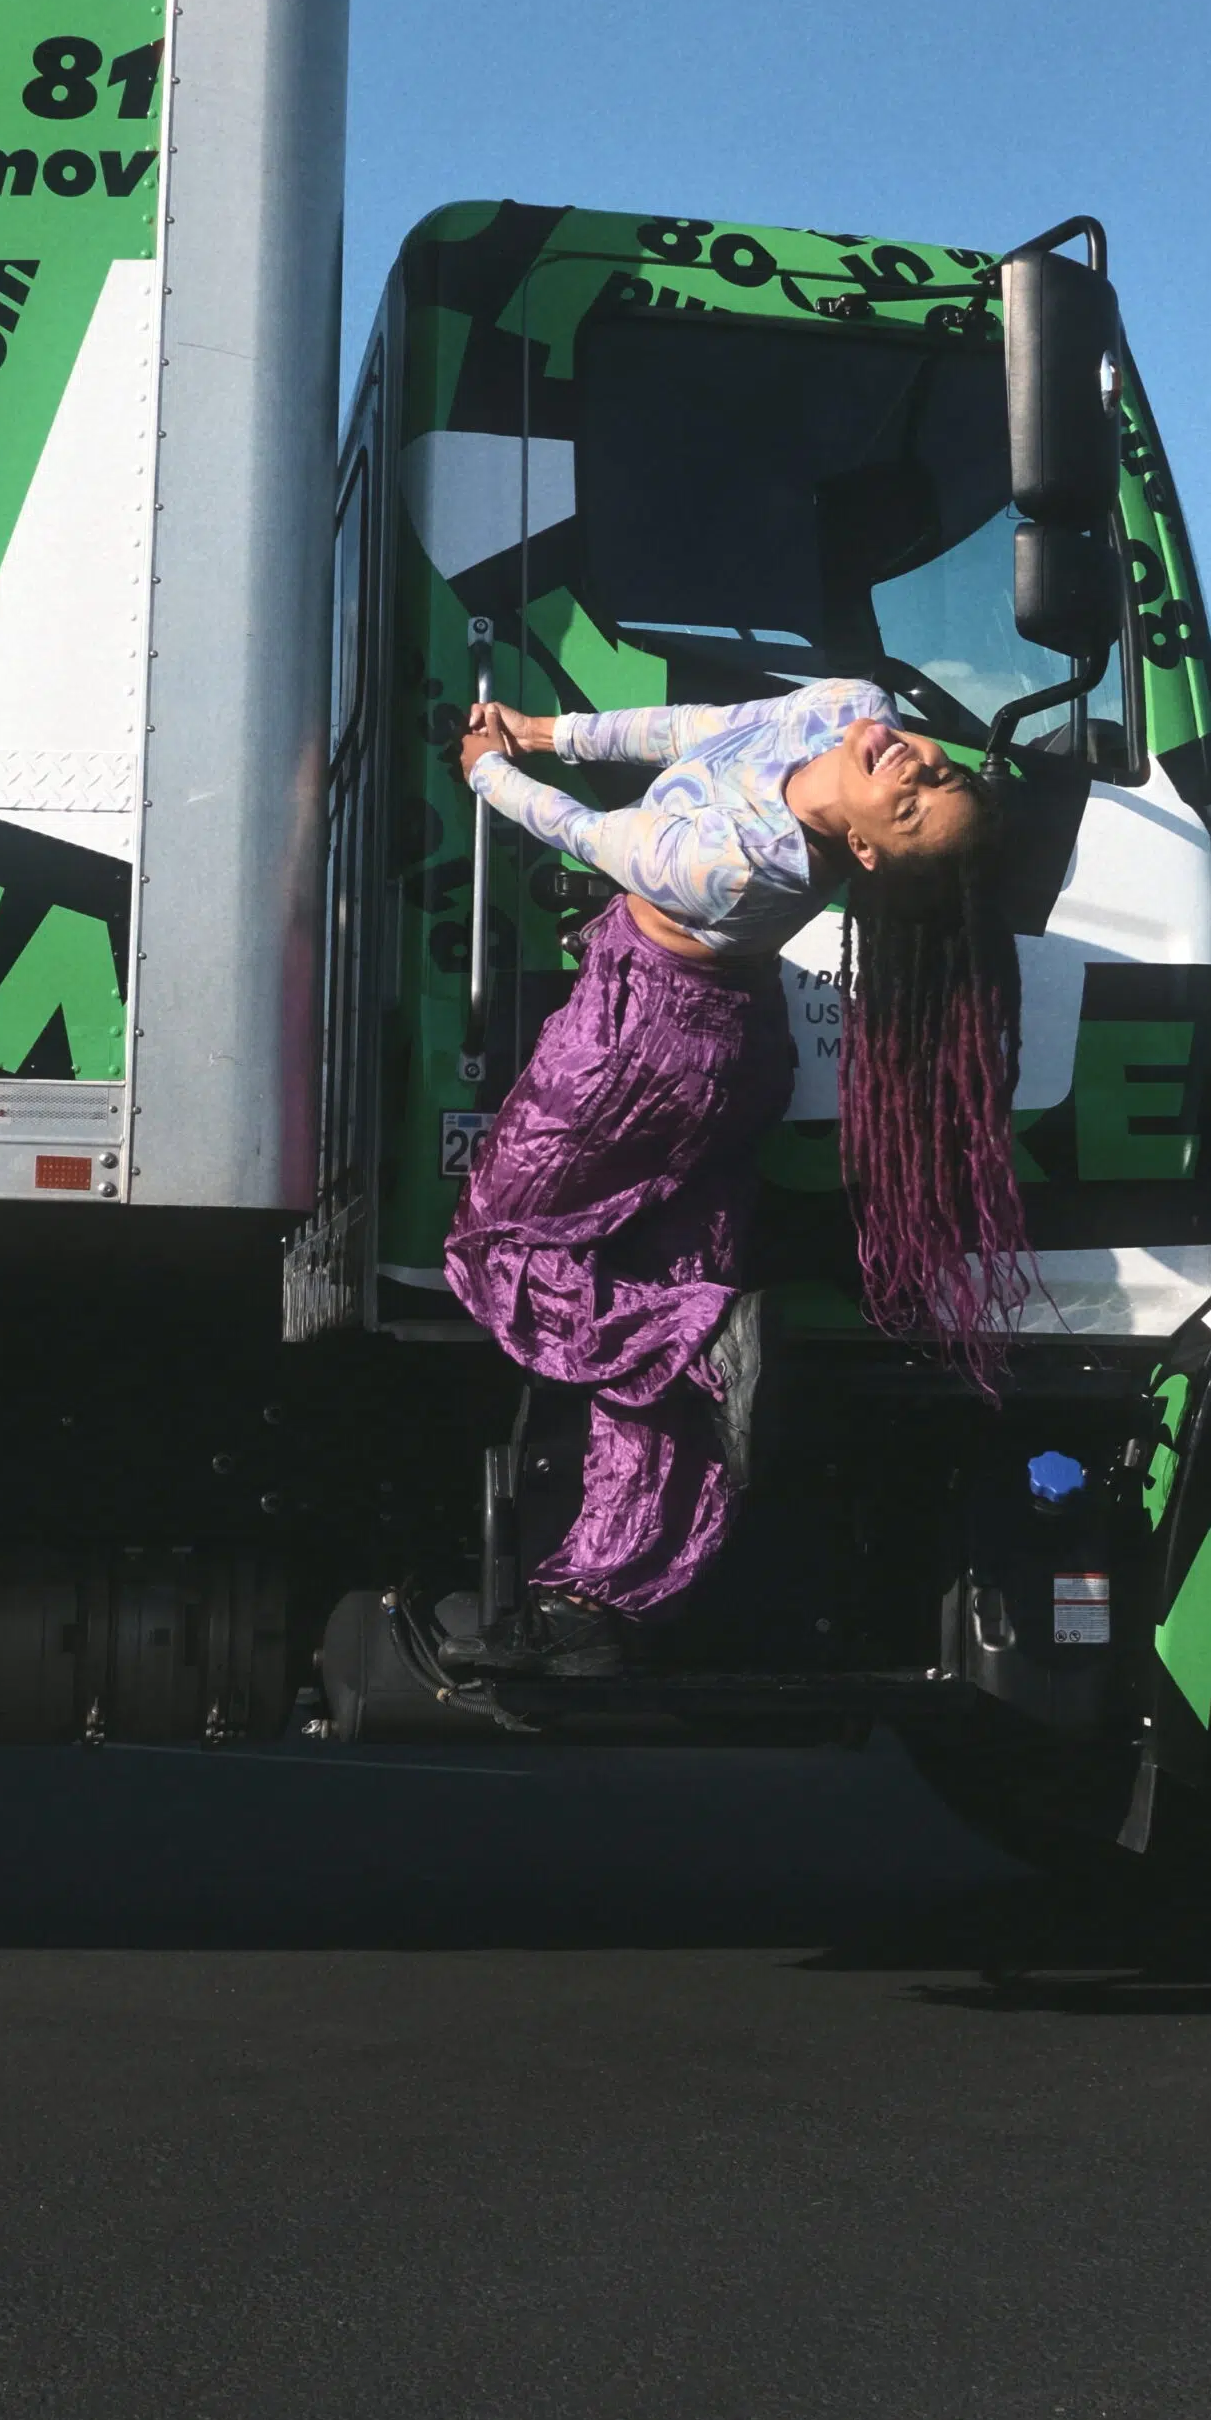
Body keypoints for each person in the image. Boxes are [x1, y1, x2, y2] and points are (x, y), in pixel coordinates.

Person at [439, 679, 1032, 1676]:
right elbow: (691, 728)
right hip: (717, 1050)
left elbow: (585, 833)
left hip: (641, 1051)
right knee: (647, 1310)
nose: (924, 769)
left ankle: (709, 1337)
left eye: (920, 807)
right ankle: (599, 1602)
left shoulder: (731, 864)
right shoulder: (850, 705)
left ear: (871, 854)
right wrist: (544, 729)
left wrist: (488, 769)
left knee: (498, 1252)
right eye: (946, 773)